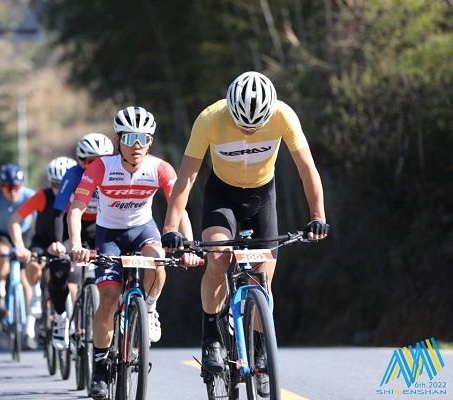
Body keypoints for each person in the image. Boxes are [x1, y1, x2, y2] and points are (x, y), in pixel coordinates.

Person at [160, 71, 330, 392]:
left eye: (256, 125)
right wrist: (170, 227)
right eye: (243, 124)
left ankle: (262, 349)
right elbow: (187, 178)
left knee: (262, 278)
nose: (250, 130)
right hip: (221, 197)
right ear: (229, 108)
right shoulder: (209, 119)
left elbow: (306, 168)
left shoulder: (283, 115)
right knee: (218, 256)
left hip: (261, 198)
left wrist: (317, 216)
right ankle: (212, 337)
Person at [67, 106, 198, 398]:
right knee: (109, 298)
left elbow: (180, 209)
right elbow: (76, 209)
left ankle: (149, 308)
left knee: (157, 262)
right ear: (118, 141)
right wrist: (76, 244)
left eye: (143, 138)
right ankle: (100, 368)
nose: (136, 144)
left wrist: (188, 245)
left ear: (150, 141)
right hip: (109, 234)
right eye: (129, 138)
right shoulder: (100, 167)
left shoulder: (160, 168)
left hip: (143, 230)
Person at [46, 133, 115, 350]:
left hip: (101, 227)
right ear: (80, 161)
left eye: (101, 160)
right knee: (58, 270)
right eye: (89, 162)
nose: (95, 166)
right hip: (73, 227)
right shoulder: (73, 175)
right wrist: (58, 243)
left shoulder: (116, 173)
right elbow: (58, 212)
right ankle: (60, 318)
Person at [8, 156, 77, 350]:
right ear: (49, 182)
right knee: (33, 264)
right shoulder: (42, 196)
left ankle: (74, 326)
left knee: (72, 287)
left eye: (65, 185)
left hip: (68, 243)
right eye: (55, 184)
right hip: (42, 242)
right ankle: (36, 294)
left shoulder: (79, 199)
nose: (59, 189)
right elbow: (15, 220)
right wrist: (20, 246)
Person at [0, 163, 36, 314]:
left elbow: (39, 220)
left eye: (16, 188)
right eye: (8, 188)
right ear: (1, 187)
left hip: (23, 234)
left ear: (22, 185)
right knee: (3, 254)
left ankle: (29, 323)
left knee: (25, 279)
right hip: (2, 233)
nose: (13, 192)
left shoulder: (30, 196)